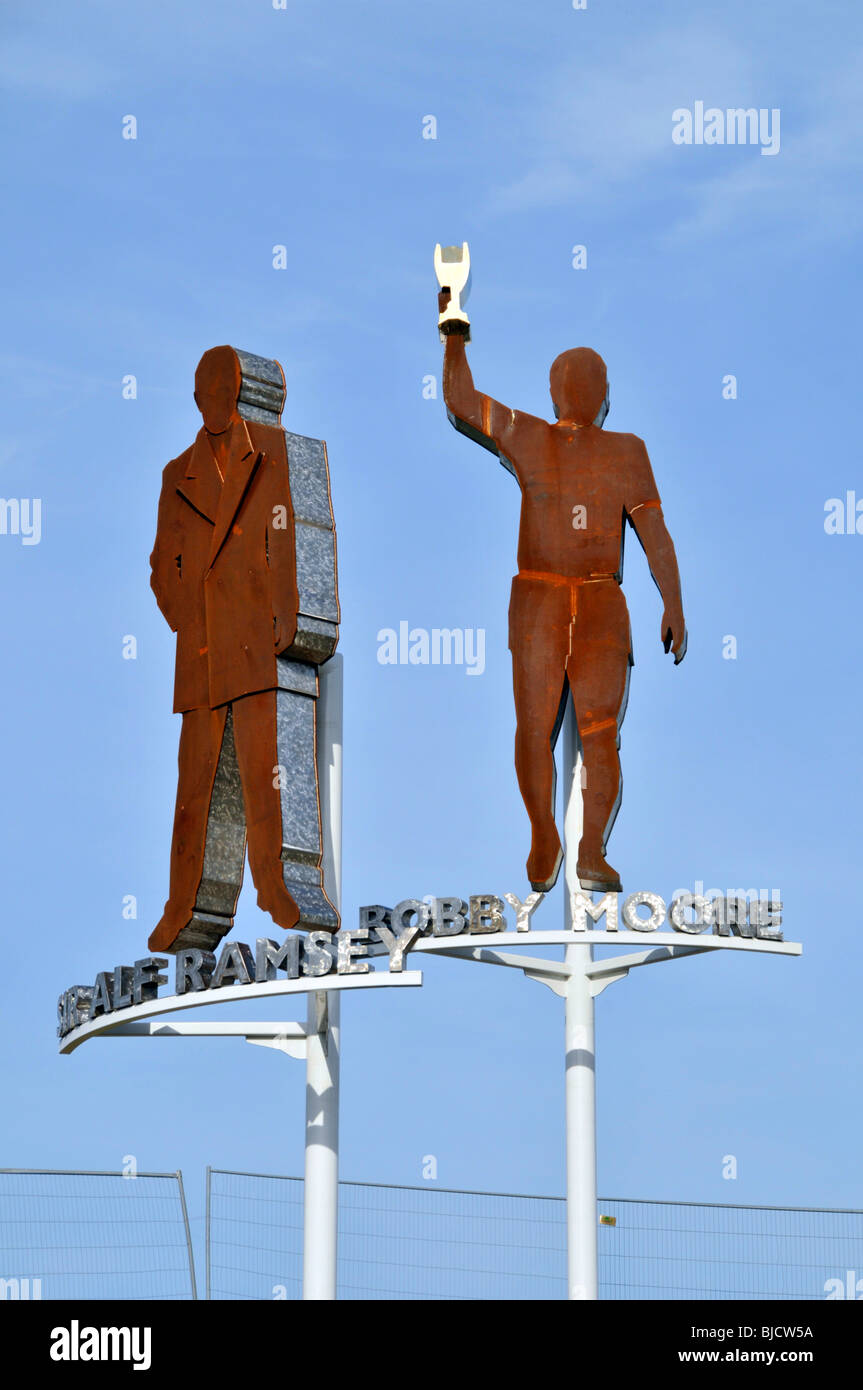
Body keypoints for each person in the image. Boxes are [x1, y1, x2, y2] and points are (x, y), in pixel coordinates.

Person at [439, 292, 686, 894]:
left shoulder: (534, 435)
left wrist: (453, 327)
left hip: (561, 600)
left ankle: (561, 838)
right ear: (604, 397)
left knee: (540, 726)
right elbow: (655, 534)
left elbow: (462, 401)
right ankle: (575, 843)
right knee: (594, 732)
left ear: (557, 395)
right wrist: (673, 601)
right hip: (575, 598)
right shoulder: (619, 448)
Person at [149, 345, 339, 952]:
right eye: (203, 390)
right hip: (205, 653)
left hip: (264, 644)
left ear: (244, 393)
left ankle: (286, 886)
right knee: (197, 789)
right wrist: (193, 617)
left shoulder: (285, 453)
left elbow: (300, 530)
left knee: (271, 772)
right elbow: (162, 565)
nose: (213, 400)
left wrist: (296, 611)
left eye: (223, 388)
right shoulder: (178, 473)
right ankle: (188, 909)